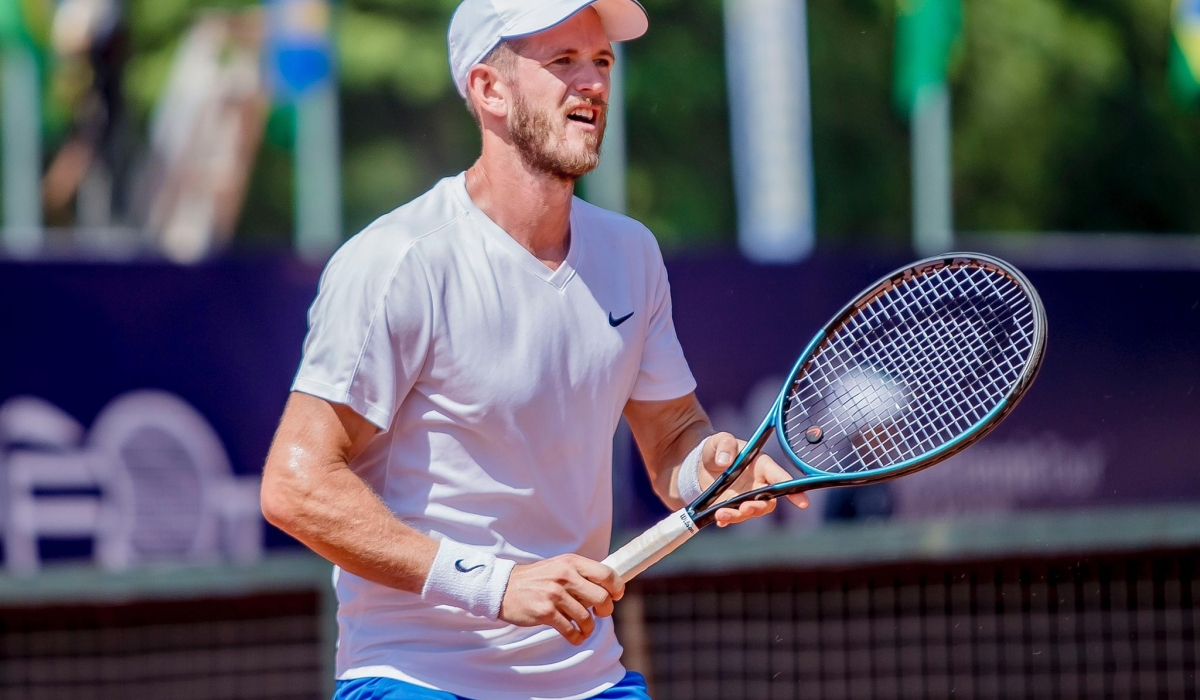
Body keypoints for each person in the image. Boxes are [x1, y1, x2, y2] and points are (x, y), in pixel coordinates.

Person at [260, 1, 807, 698]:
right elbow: (296, 485)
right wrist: (495, 585)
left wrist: (710, 468)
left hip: (589, 679)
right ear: (489, 89)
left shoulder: (631, 253)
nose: (594, 83)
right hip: (415, 677)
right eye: (563, 62)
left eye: (602, 61)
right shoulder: (400, 261)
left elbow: (673, 438)